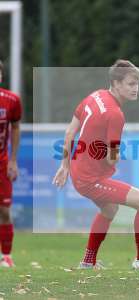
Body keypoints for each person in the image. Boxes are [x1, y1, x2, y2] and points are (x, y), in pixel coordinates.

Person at [53, 59, 139, 270]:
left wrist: (64, 165)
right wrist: (116, 155)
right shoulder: (115, 114)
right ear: (116, 84)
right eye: (130, 83)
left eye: (137, 83)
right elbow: (111, 158)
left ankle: (88, 261)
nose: (136, 88)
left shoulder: (95, 95)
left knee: (109, 210)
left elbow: (70, 132)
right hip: (91, 179)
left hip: (78, 171)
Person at [0, 59, 22, 268]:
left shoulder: (11, 100)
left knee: (5, 211)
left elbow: (15, 128)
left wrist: (13, 160)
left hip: (2, 162)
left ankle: (6, 256)